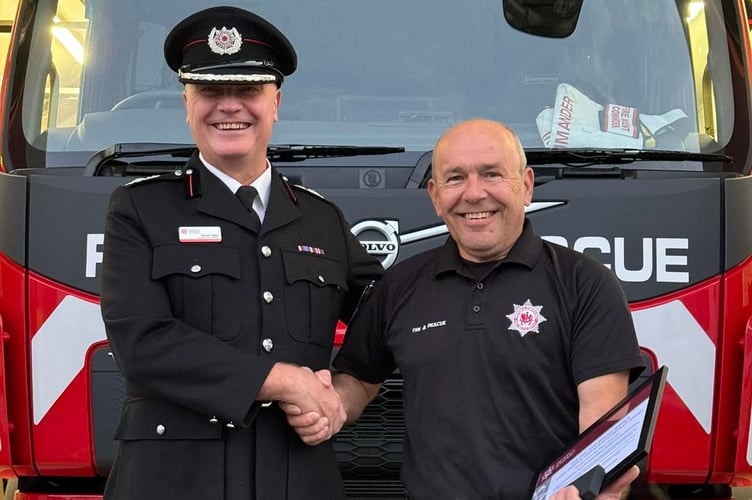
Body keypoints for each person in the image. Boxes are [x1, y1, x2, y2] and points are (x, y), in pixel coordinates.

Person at [99, 6, 382, 500]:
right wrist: (283, 381)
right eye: (210, 91)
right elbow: (143, 344)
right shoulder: (139, 210)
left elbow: (388, 314)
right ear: (187, 103)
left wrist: (347, 392)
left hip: (298, 480)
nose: (229, 106)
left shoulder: (321, 218)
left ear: (276, 102)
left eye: (249, 90)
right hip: (174, 482)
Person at [284, 119, 646, 499]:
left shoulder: (585, 284)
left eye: (491, 174)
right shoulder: (402, 286)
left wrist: (593, 492)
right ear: (435, 197)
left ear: (525, 186)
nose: (474, 194)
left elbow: (603, 431)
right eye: (455, 179)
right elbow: (357, 379)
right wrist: (327, 406)